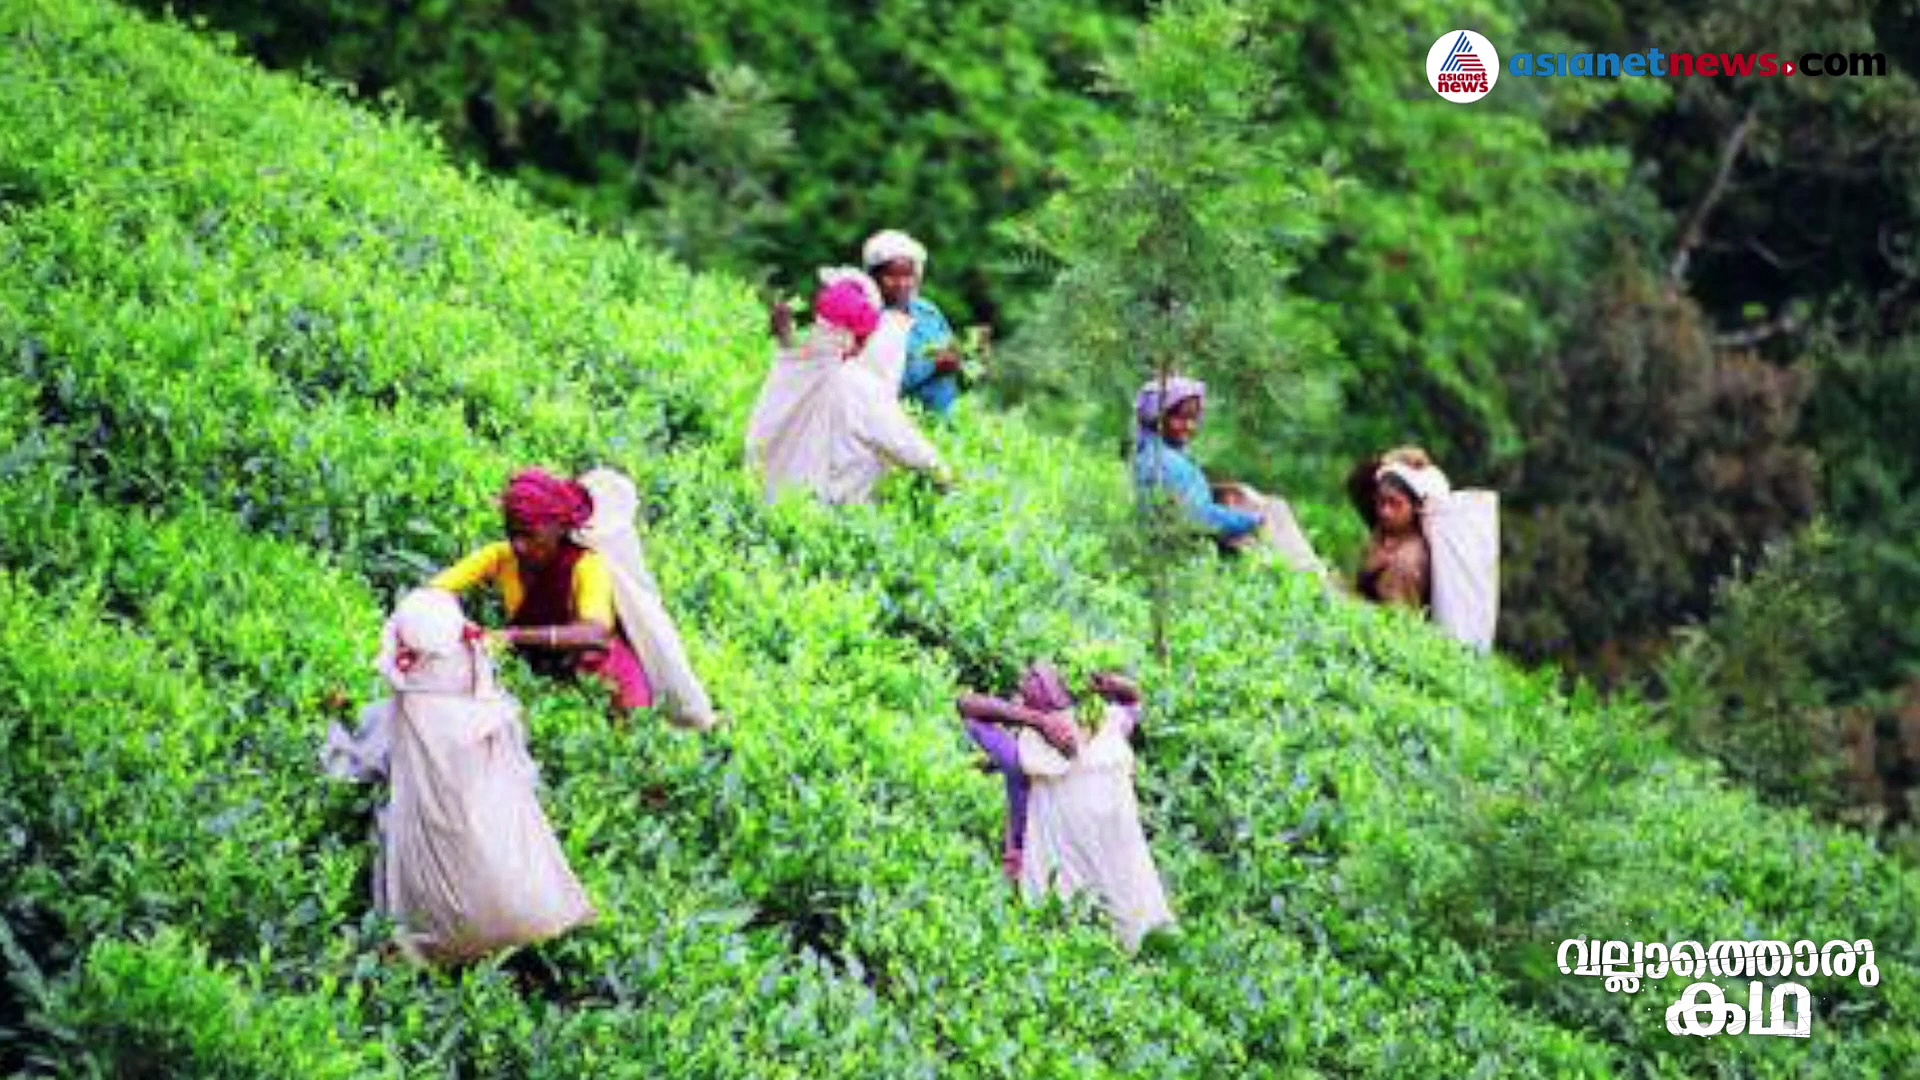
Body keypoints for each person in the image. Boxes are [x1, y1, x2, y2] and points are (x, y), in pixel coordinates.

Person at [321, 588, 596, 964]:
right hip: (505, 855)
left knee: (404, 830)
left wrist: (334, 723)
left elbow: (357, 760)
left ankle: (429, 947)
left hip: (435, 840)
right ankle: (526, 925)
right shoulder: (482, 690)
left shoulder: (407, 703)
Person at [430, 468, 715, 724]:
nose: (519, 546)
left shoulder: (586, 565)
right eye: (512, 533)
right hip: (543, 678)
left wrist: (510, 637)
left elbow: (595, 634)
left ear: (559, 529)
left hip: (606, 680)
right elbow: (436, 590)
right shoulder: (499, 558)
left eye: (530, 536)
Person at [956, 663, 1175, 952]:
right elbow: (1133, 701)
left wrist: (1035, 721)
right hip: (1100, 852)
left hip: (1038, 854)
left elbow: (967, 707)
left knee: (1055, 930)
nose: (1026, 678)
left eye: (1035, 677)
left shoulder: (1025, 753)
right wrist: (1115, 686)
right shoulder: (1108, 729)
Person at [747, 270, 955, 506]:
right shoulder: (860, 386)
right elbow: (906, 445)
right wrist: (945, 477)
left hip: (773, 502)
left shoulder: (793, 365)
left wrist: (785, 336)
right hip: (831, 513)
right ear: (860, 339)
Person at [1132, 375, 1330, 580]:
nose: (1190, 426)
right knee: (1273, 515)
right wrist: (1251, 520)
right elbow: (1198, 518)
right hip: (1182, 553)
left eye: (1194, 418)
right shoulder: (1165, 461)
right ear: (1156, 416)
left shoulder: (1151, 454)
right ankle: (1310, 577)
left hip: (1175, 545)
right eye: (1181, 418)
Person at [862, 229, 966, 420]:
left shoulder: (928, 312)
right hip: (901, 426)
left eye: (908, 275)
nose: (901, 284)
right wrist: (932, 366)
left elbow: (954, 358)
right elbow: (873, 385)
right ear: (873, 277)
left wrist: (965, 358)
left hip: (946, 423)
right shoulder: (867, 320)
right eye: (891, 276)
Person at [1349, 447, 1452, 612]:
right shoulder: (1386, 530)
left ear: (1416, 507)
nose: (1385, 511)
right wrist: (1389, 460)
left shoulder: (1406, 562)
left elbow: (1396, 623)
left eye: (1395, 503)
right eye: (1381, 502)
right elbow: (1357, 485)